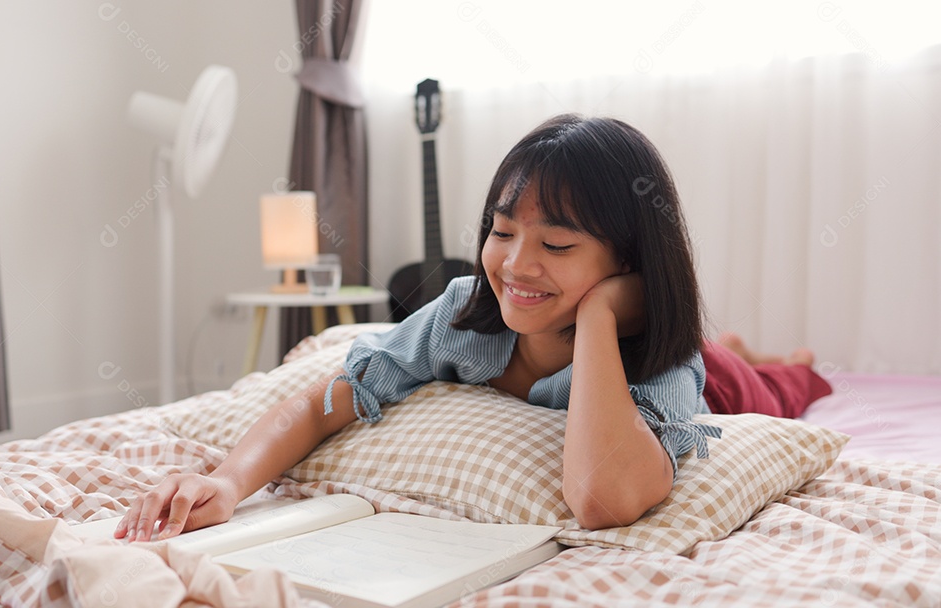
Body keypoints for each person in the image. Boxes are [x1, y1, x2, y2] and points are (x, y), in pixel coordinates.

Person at [116, 114, 832, 542]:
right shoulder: (465, 313)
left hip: (726, 386)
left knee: (783, 382)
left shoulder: (662, 362)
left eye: (555, 246)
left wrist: (601, 317)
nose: (516, 265)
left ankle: (766, 357)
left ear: (629, 265)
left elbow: (604, 499)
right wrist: (229, 482)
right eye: (500, 231)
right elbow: (322, 399)